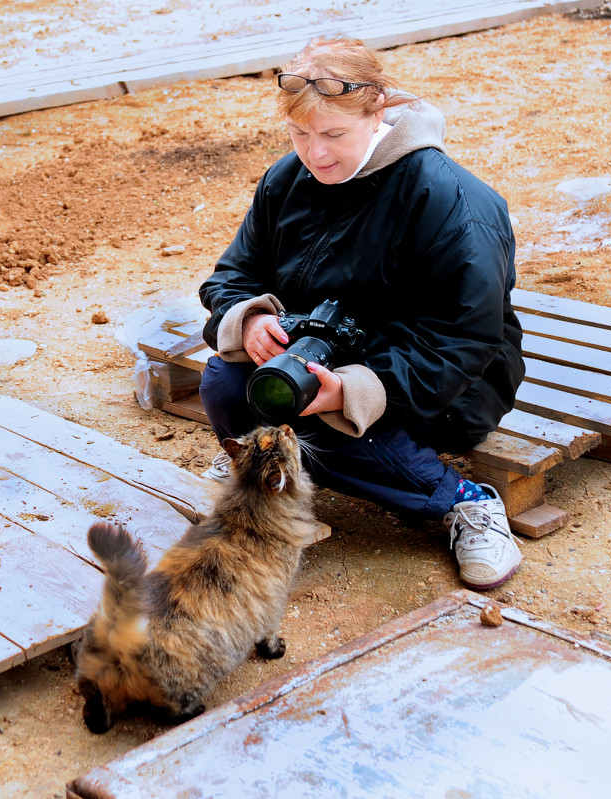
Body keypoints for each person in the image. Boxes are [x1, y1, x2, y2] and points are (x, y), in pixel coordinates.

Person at [196, 36, 526, 590]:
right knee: (227, 384)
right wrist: (250, 320)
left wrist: (351, 392)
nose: (315, 153)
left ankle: (466, 503)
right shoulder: (287, 180)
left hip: (446, 384)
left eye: (333, 135)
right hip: (321, 355)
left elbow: (465, 343)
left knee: (314, 418)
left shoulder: (449, 200)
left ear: (377, 112)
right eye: (300, 134)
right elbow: (232, 275)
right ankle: (283, 467)